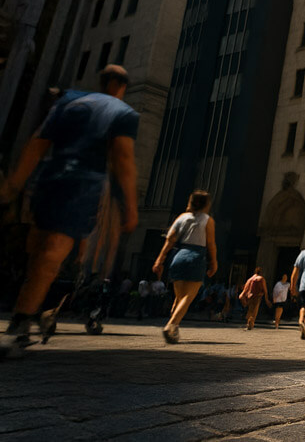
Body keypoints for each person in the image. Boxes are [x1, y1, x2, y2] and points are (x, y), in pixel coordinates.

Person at [1, 66, 139, 357]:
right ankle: (22, 323)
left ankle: (28, 314)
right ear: (120, 86)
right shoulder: (122, 112)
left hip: (48, 179)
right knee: (50, 258)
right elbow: (124, 159)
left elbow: (37, 144)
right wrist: (130, 205)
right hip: (82, 185)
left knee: (38, 256)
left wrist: (13, 185)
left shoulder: (69, 100)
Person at [152, 189, 217, 344]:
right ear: (207, 204)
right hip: (196, 256)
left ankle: (175, 329)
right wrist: (213, 262)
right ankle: (171, 325)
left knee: (179, 298)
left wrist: (159, 260)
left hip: (178, 256)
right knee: (188, 297)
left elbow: (169, 240)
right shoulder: (207, 220)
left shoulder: (182, 217)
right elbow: (211, 244)